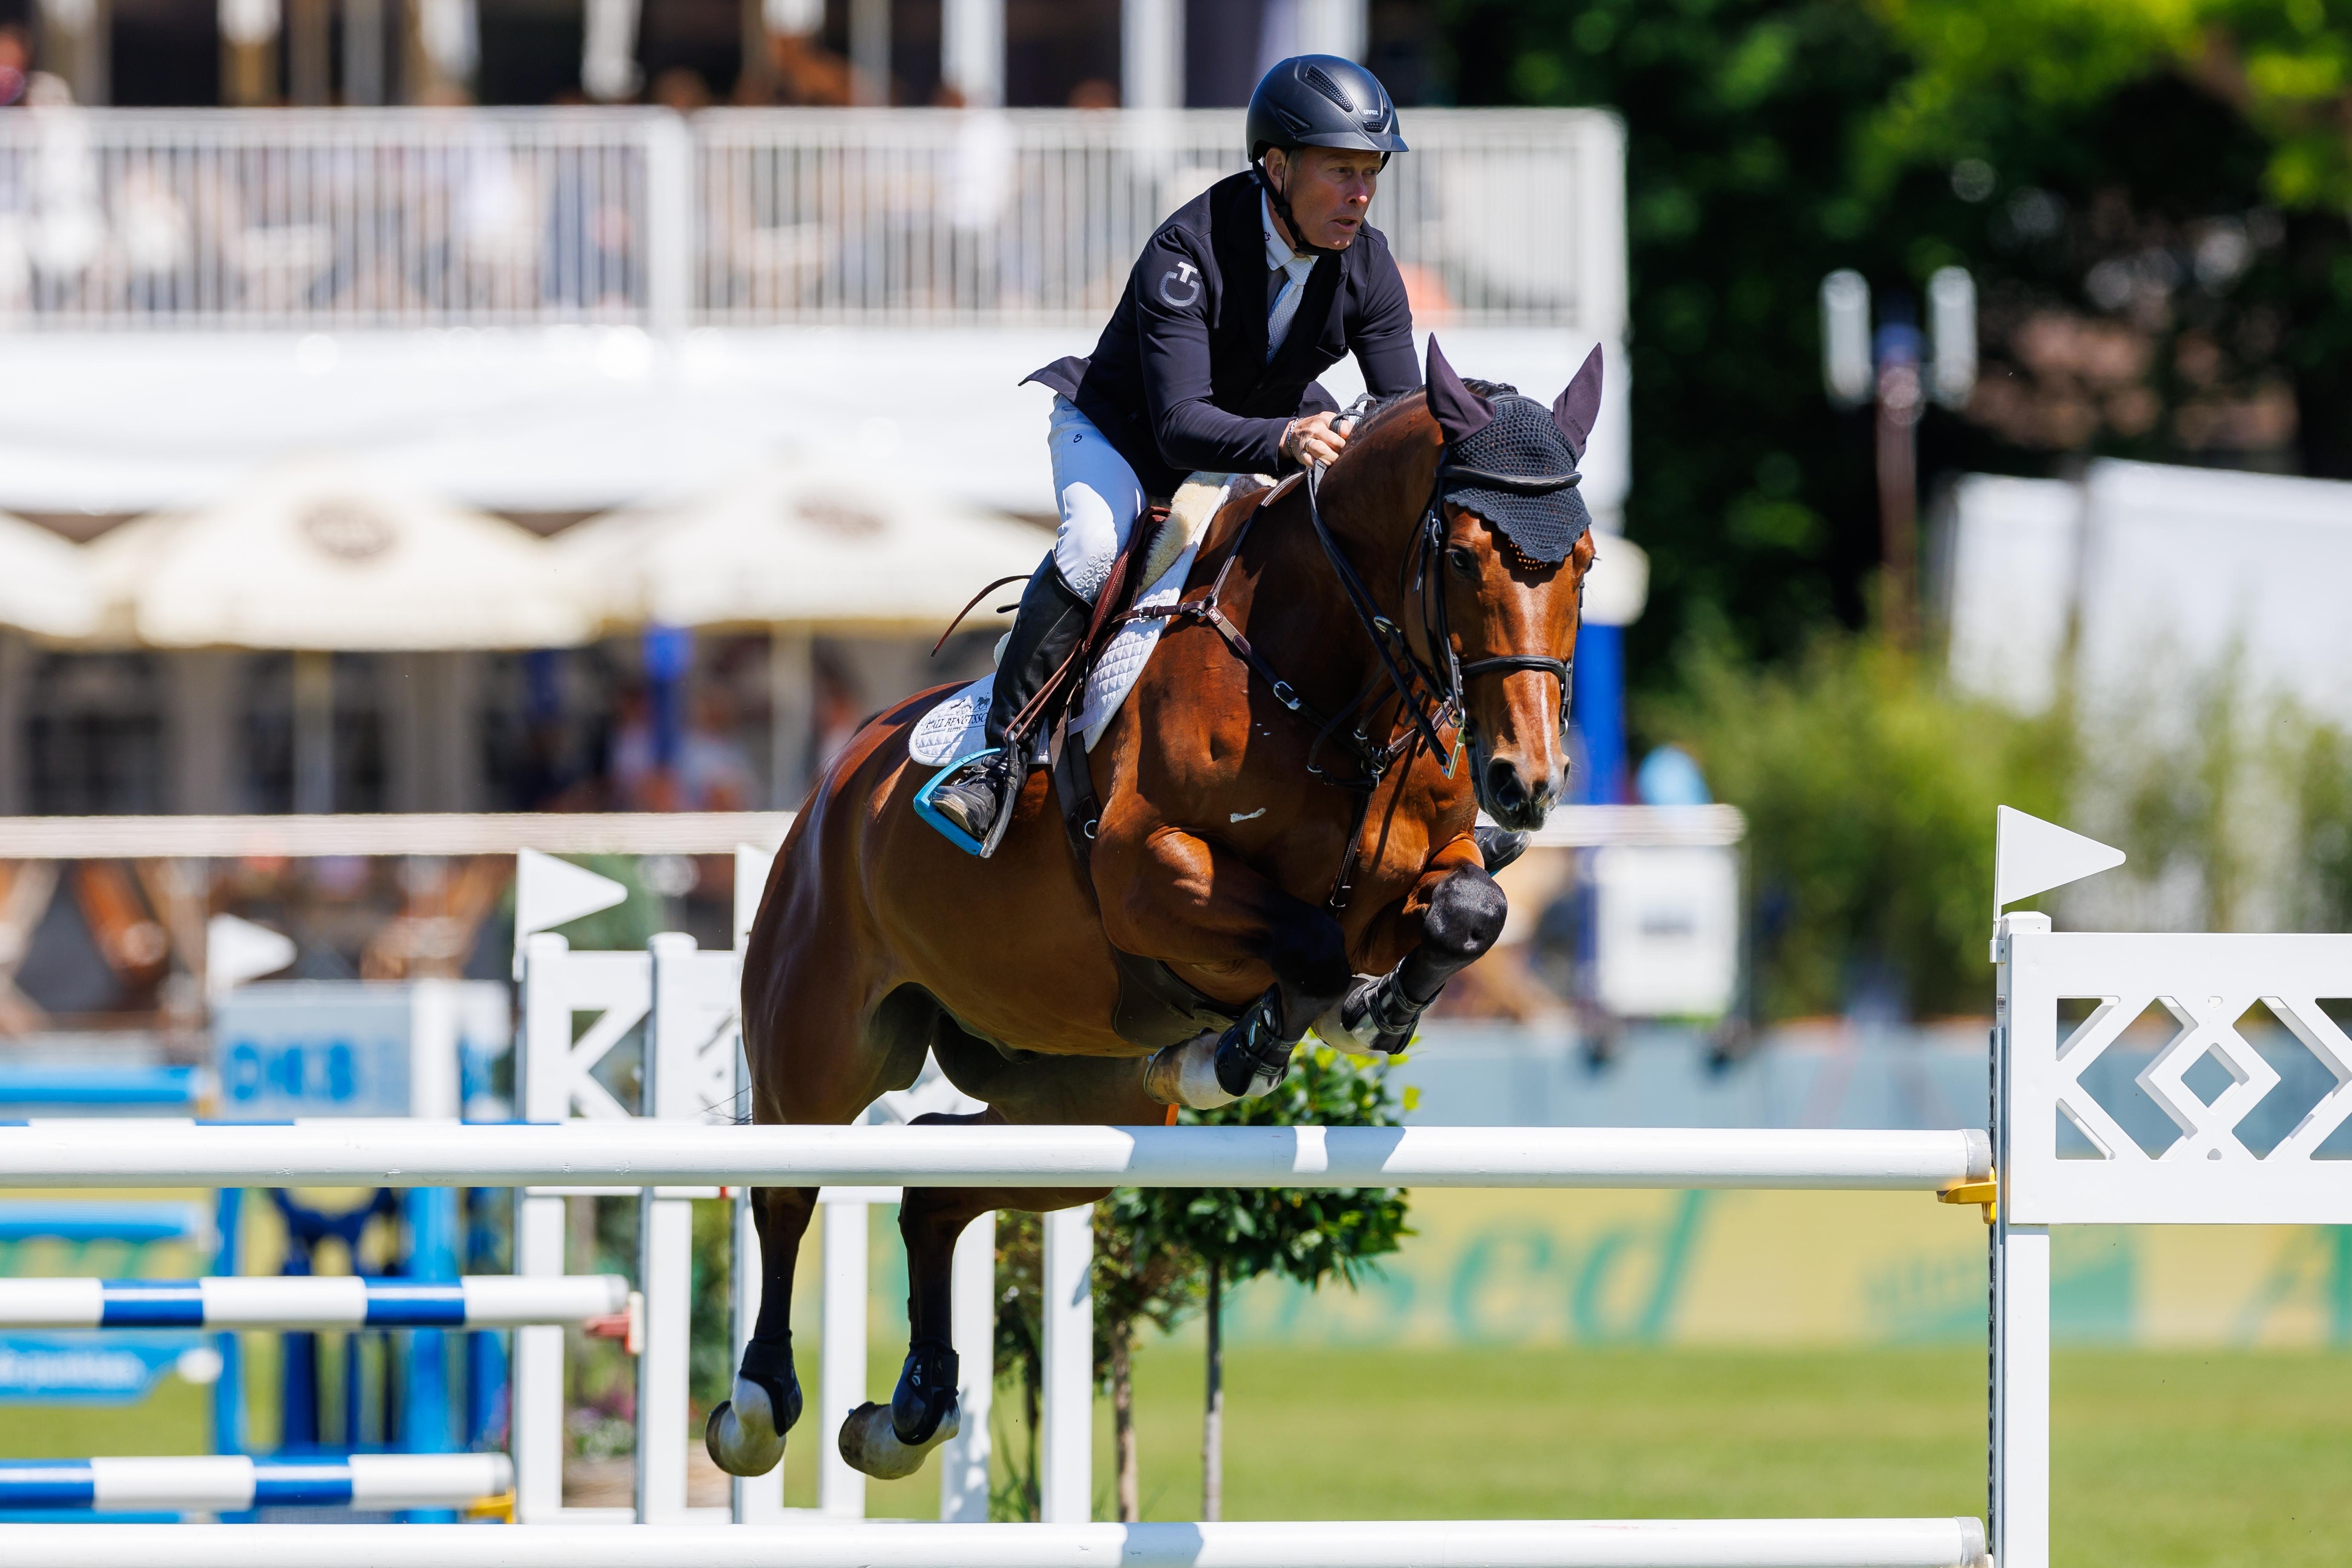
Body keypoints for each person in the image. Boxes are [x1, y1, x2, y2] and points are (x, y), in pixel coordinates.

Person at [924, 54, 1418, 855]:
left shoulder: (1367, 262)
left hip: (1253, 438)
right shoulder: (1189, 250)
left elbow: (1396, 410)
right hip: (1122, 435)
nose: (1360, 194)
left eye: (1372, 172)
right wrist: (1289, 439)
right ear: (1278, 165)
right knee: (1091, 552)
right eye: (1341, 171)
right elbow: (1182, 425)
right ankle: (997, 755)